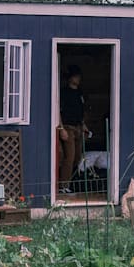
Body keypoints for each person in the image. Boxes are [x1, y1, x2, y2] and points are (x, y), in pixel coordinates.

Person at [58, 65, 86, 194]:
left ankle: (70, 183)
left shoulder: (80, 92)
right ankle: (63, 186)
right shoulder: (64, 93)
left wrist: (84, 125)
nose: (78, 78)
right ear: (70, 78)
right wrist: (61, 127)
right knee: (69, 156)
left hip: (78, 127)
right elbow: (58, 111)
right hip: (68, 127)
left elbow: (81, 111)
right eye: (76, 76)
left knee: (77, 157)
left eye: (79, 76)